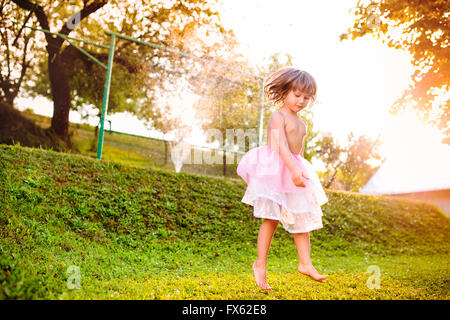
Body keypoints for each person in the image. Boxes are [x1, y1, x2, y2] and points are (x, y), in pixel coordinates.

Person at [236, 67, 329, 290]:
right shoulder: (278, 116)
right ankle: (260, 264)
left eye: (306, 97)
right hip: (275, 168)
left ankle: (305, 263)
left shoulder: (303, 123)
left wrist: (301, 171)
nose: (302, 100)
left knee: (301, 216)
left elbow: (299, 153)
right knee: (271, 218)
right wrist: (293, 170)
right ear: (285, 91)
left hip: (293, 169)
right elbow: (281, 146)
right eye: (297, 95)